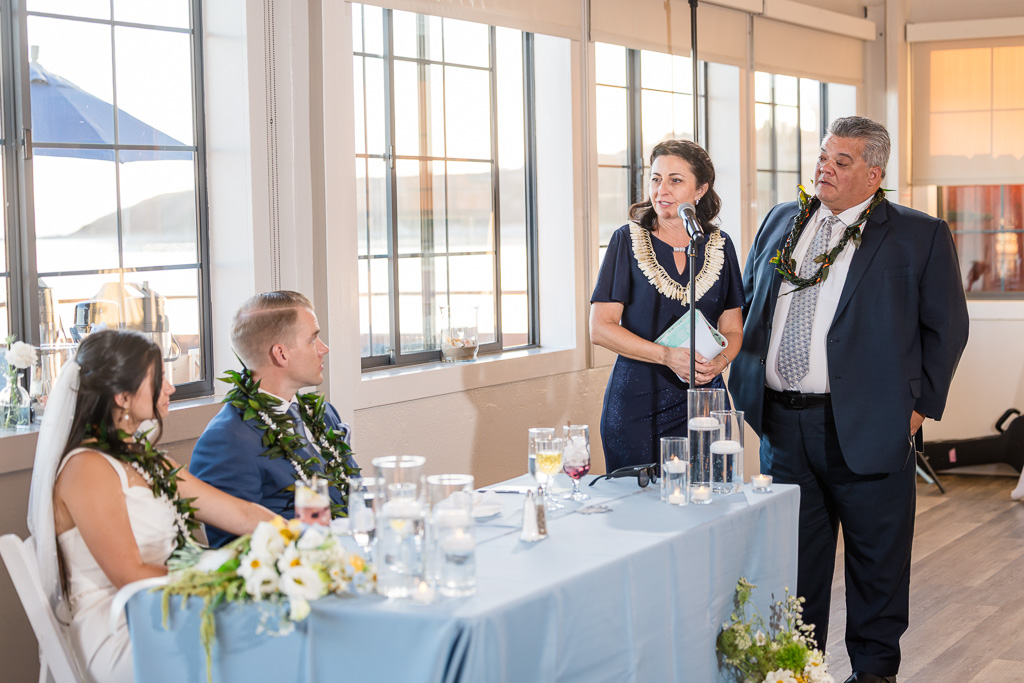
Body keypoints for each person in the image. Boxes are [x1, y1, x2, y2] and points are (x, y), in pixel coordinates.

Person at [730, 116, 969, 683]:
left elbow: (948, 329)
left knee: (876, 569)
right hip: (783, 430)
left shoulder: (919, 234)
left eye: (841, 162)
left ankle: (875, 675)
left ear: (874, 174)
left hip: (870, 429)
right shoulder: (782, 220)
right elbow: (751, 304)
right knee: (794, 569)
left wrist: (915, 413)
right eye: (822, 157)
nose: (825, 168)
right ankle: (797, 669)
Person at [26, 330, 274, 683]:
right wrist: (226, 573)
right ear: (123, 396)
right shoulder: (87, 469)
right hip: (121, 626)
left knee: (278, 622)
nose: (170, 388)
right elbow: (129, 575)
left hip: (167, 605)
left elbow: (242, 514)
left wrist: (303, 538)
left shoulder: (149, 462)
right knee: (265, 637)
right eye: (159, 379)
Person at [590, 139, 743, 472]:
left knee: (709, 506)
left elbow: (732, 329)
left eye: (675, 180)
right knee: (640, 514)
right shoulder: (626, 240)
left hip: (705, 402)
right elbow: (600, 329)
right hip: (637, 404)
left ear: (700, 189)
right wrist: (666, 356)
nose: (661, 189)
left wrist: (719, 364)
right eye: (655, 178)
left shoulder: (719, 245)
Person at [190, 291, 357, 547]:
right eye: (313, 339)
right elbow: (235, 550)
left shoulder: (322, 415)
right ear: (281, 353)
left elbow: (355, 493)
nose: (324, 348)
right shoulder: (227, 440)